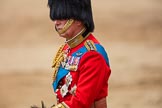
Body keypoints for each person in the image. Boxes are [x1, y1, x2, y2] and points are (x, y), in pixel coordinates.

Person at [48, 0, 111, 108]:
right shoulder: (67, 48)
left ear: (78, 20)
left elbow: (81, 102)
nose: (56, 22)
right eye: (55, 17)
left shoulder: (93, 55)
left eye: (62, 17)